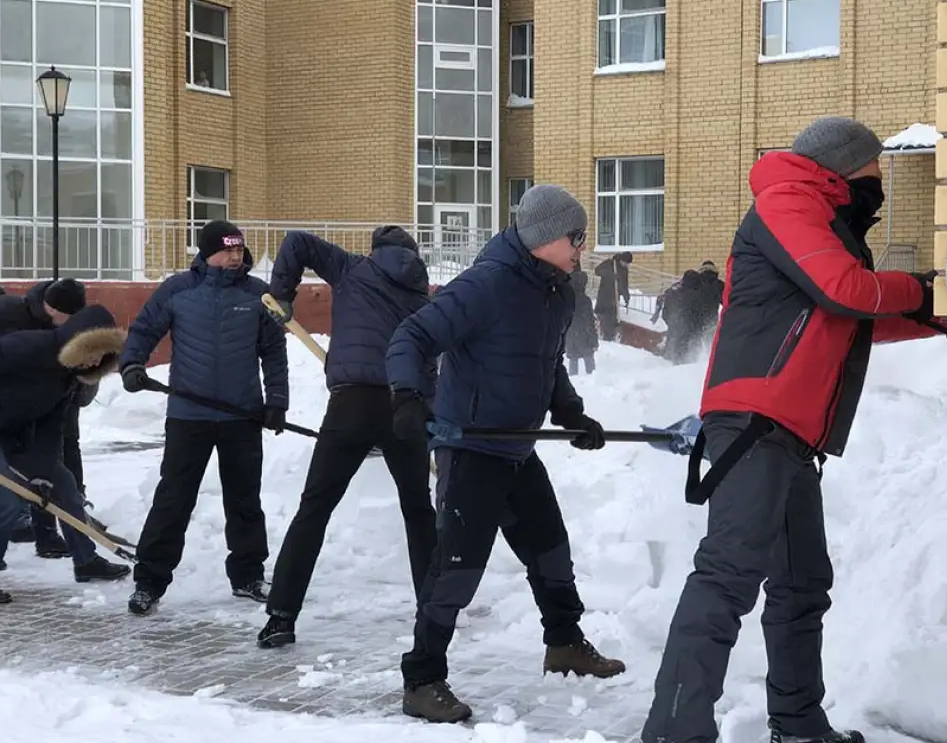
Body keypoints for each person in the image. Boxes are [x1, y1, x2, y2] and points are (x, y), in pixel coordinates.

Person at [640, 117, 947, 743]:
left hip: (789, 434)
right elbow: (846, 291)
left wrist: (942, 317)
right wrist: (928, 290)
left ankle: (796, 724)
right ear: (845, 167)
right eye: (875, 171)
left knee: (801, 585)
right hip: (753, 422)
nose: (880, 185)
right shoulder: (787, 201)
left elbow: (850, 318)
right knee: (728, 577)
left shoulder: (827, 221)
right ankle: (673, 733)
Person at [386, 184, 626, 724]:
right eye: (576, 237)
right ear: (544, 237)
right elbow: (413, 335)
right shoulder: (487, 284)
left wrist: (570, 413)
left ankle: (563, 642)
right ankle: (421, 678)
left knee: (551, 552)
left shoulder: (556, 289)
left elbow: (546, 361)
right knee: (457, 571)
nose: (582, 247)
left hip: (516, 447)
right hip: (471, 447)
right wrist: (405, 395)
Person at [254, 225, 438, 648]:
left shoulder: (355, 269)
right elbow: (429, 357)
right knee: (417, 509)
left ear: (376, 250)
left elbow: (297, 241)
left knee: (315, 508)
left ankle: (281, 615)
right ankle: (433, 609)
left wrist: (283, 294)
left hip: (350, 404)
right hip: (403, 405)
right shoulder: (420, 295)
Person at [118, 220, 289, 616]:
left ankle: (247, 575)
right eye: (228, 249)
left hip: (241, 415)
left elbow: (274, 352)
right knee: (173, 499)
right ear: (207, 252)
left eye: (239, 249)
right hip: (188, 414)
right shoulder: (179, 291)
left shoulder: (257, 296)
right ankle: (149, 580)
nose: (235, 256)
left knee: (244, 499)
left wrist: (277, 399)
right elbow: (143, 330)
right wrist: (131, 364)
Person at [0, 303, 132, 603]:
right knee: (4, 502)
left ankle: (86, 561)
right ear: (76, 341)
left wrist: (43, 475)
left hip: (13, 437)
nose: (95, 359)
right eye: (92, 350)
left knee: (64, 484)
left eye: (103, 356)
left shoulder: (67, 379)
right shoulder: (29, 346)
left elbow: (49, 431)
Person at [0, 278, 90, 559]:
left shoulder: (59, 328)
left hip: (31, 411)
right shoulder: (7, 310)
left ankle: (50, 538)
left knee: (52, 469)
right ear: (52, 307)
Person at [651, 261, 725, 364]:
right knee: (708, 350)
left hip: (684, 326)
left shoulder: (687, 287)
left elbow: (667, 309)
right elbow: (727, 302)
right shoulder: (719, 285)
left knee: (679, 352)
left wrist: (673, 322)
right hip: (708, 323)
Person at [565, 268, 598, 375]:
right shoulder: (585, 300)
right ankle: (594, 383)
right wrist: (594, 340)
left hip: (570, 335)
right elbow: (589, 321)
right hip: (584, 335)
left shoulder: (566, 298)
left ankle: (573, 383)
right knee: (590, 366)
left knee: (573, 363)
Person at [593, 251, 631, 342]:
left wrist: (626, 296)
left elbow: (624, 284)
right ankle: (601, 336)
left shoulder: (624, 270)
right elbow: (597, 271)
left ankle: (609, 337)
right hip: (604, 295)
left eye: (628, 264)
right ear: (621, 260)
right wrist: (611, 275)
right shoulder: (610, 263)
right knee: (603, 316)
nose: (626, 265)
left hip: (614, 299)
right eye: (625, 263)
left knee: (612, 318)